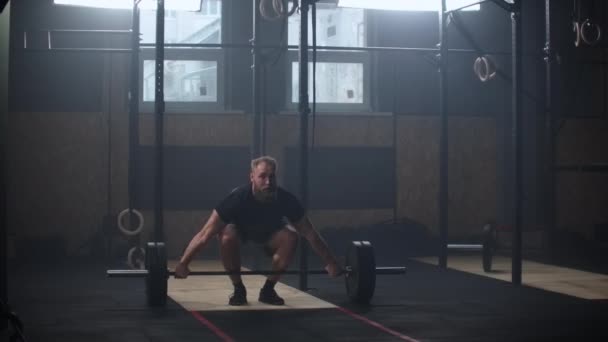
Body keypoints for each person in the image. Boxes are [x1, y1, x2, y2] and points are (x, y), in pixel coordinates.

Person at [174, 156, 342, 306]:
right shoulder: (237, 198)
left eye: (272, 176)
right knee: (226, 236)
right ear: (252, 177)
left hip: (271, 234)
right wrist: (183, 263)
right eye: (262, 176)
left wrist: (331, 262)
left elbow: (310, 233)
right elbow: (205, 234)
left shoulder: (286, 199)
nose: (268, 182)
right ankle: (239, 289)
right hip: (240, 231)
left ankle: (268, 290)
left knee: (292, 236)